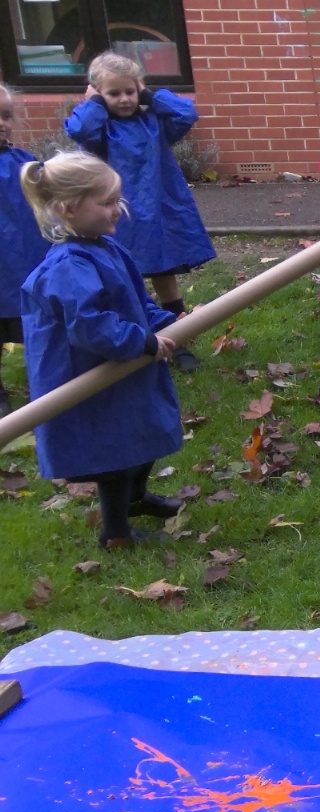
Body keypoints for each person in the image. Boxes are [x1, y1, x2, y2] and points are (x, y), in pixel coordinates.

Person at [18, 151, 184, 550]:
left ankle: (136, 497)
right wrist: (141, 341)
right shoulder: (68, 265)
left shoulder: (105, 248)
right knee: (113, 454)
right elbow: (90, 326)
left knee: (143, 432)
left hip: (122, 367)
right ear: (68, 209)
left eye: (117, 200)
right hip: (90, 374)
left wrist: (163, 320)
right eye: (107, 202)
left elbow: (134, 299)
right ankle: (116, 532)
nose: (117, 210)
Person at [65, 51, 214, 374]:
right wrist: (94, 103)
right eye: (113, 93)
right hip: (117, 214)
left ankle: (178, 338)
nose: (124, 99)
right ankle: (136, 340)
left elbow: (186, 113)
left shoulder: (153, 123)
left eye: (130, 91)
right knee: (123, 279)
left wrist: (149, 95)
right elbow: (78, 128)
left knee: (165, 274)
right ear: (97, 94)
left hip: (158, 211)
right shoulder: (99, 129)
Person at [0, 83, 53, 417]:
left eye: (6, 115)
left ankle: (46, 382)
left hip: (23, 262)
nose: (2, 123)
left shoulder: (25, 164)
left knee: (34, 324)